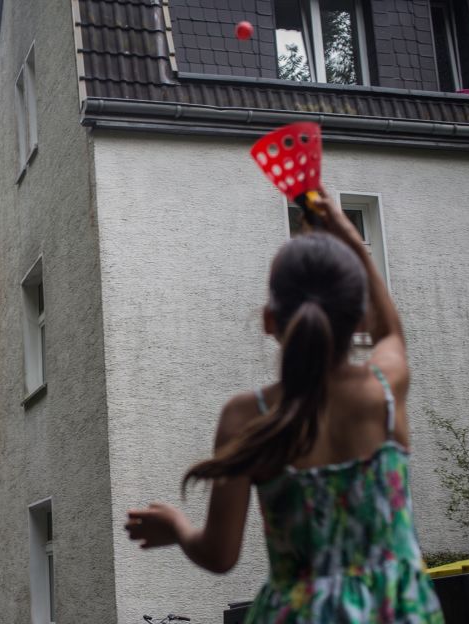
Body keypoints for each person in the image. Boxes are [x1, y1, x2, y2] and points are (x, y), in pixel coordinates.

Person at [125, 188, 442, 622]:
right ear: (361, 318)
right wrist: (347, 232)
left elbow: (219, 555)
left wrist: (178, 527)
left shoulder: (245, 416)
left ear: (270, 322)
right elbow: (392, 334)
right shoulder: (382, 392)